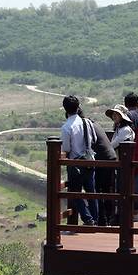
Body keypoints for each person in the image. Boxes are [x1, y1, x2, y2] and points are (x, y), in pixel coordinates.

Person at [60, 95, 98, 225]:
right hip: (90, 159)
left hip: (75, 163)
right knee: (91, 192)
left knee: (75, 193)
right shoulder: (87, 122)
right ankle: (95, 219)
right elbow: (94, 140)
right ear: (78, 107)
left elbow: (66, 148)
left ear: (65, 108)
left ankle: (88, 219)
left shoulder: (66, 127)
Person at [88, 118, 117, 226]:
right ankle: (109, 219)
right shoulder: (96, 124)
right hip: (110, 157)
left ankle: (101, 219)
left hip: (102, 159)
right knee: (107, 190)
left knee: (98, 190)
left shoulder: (87, 126)